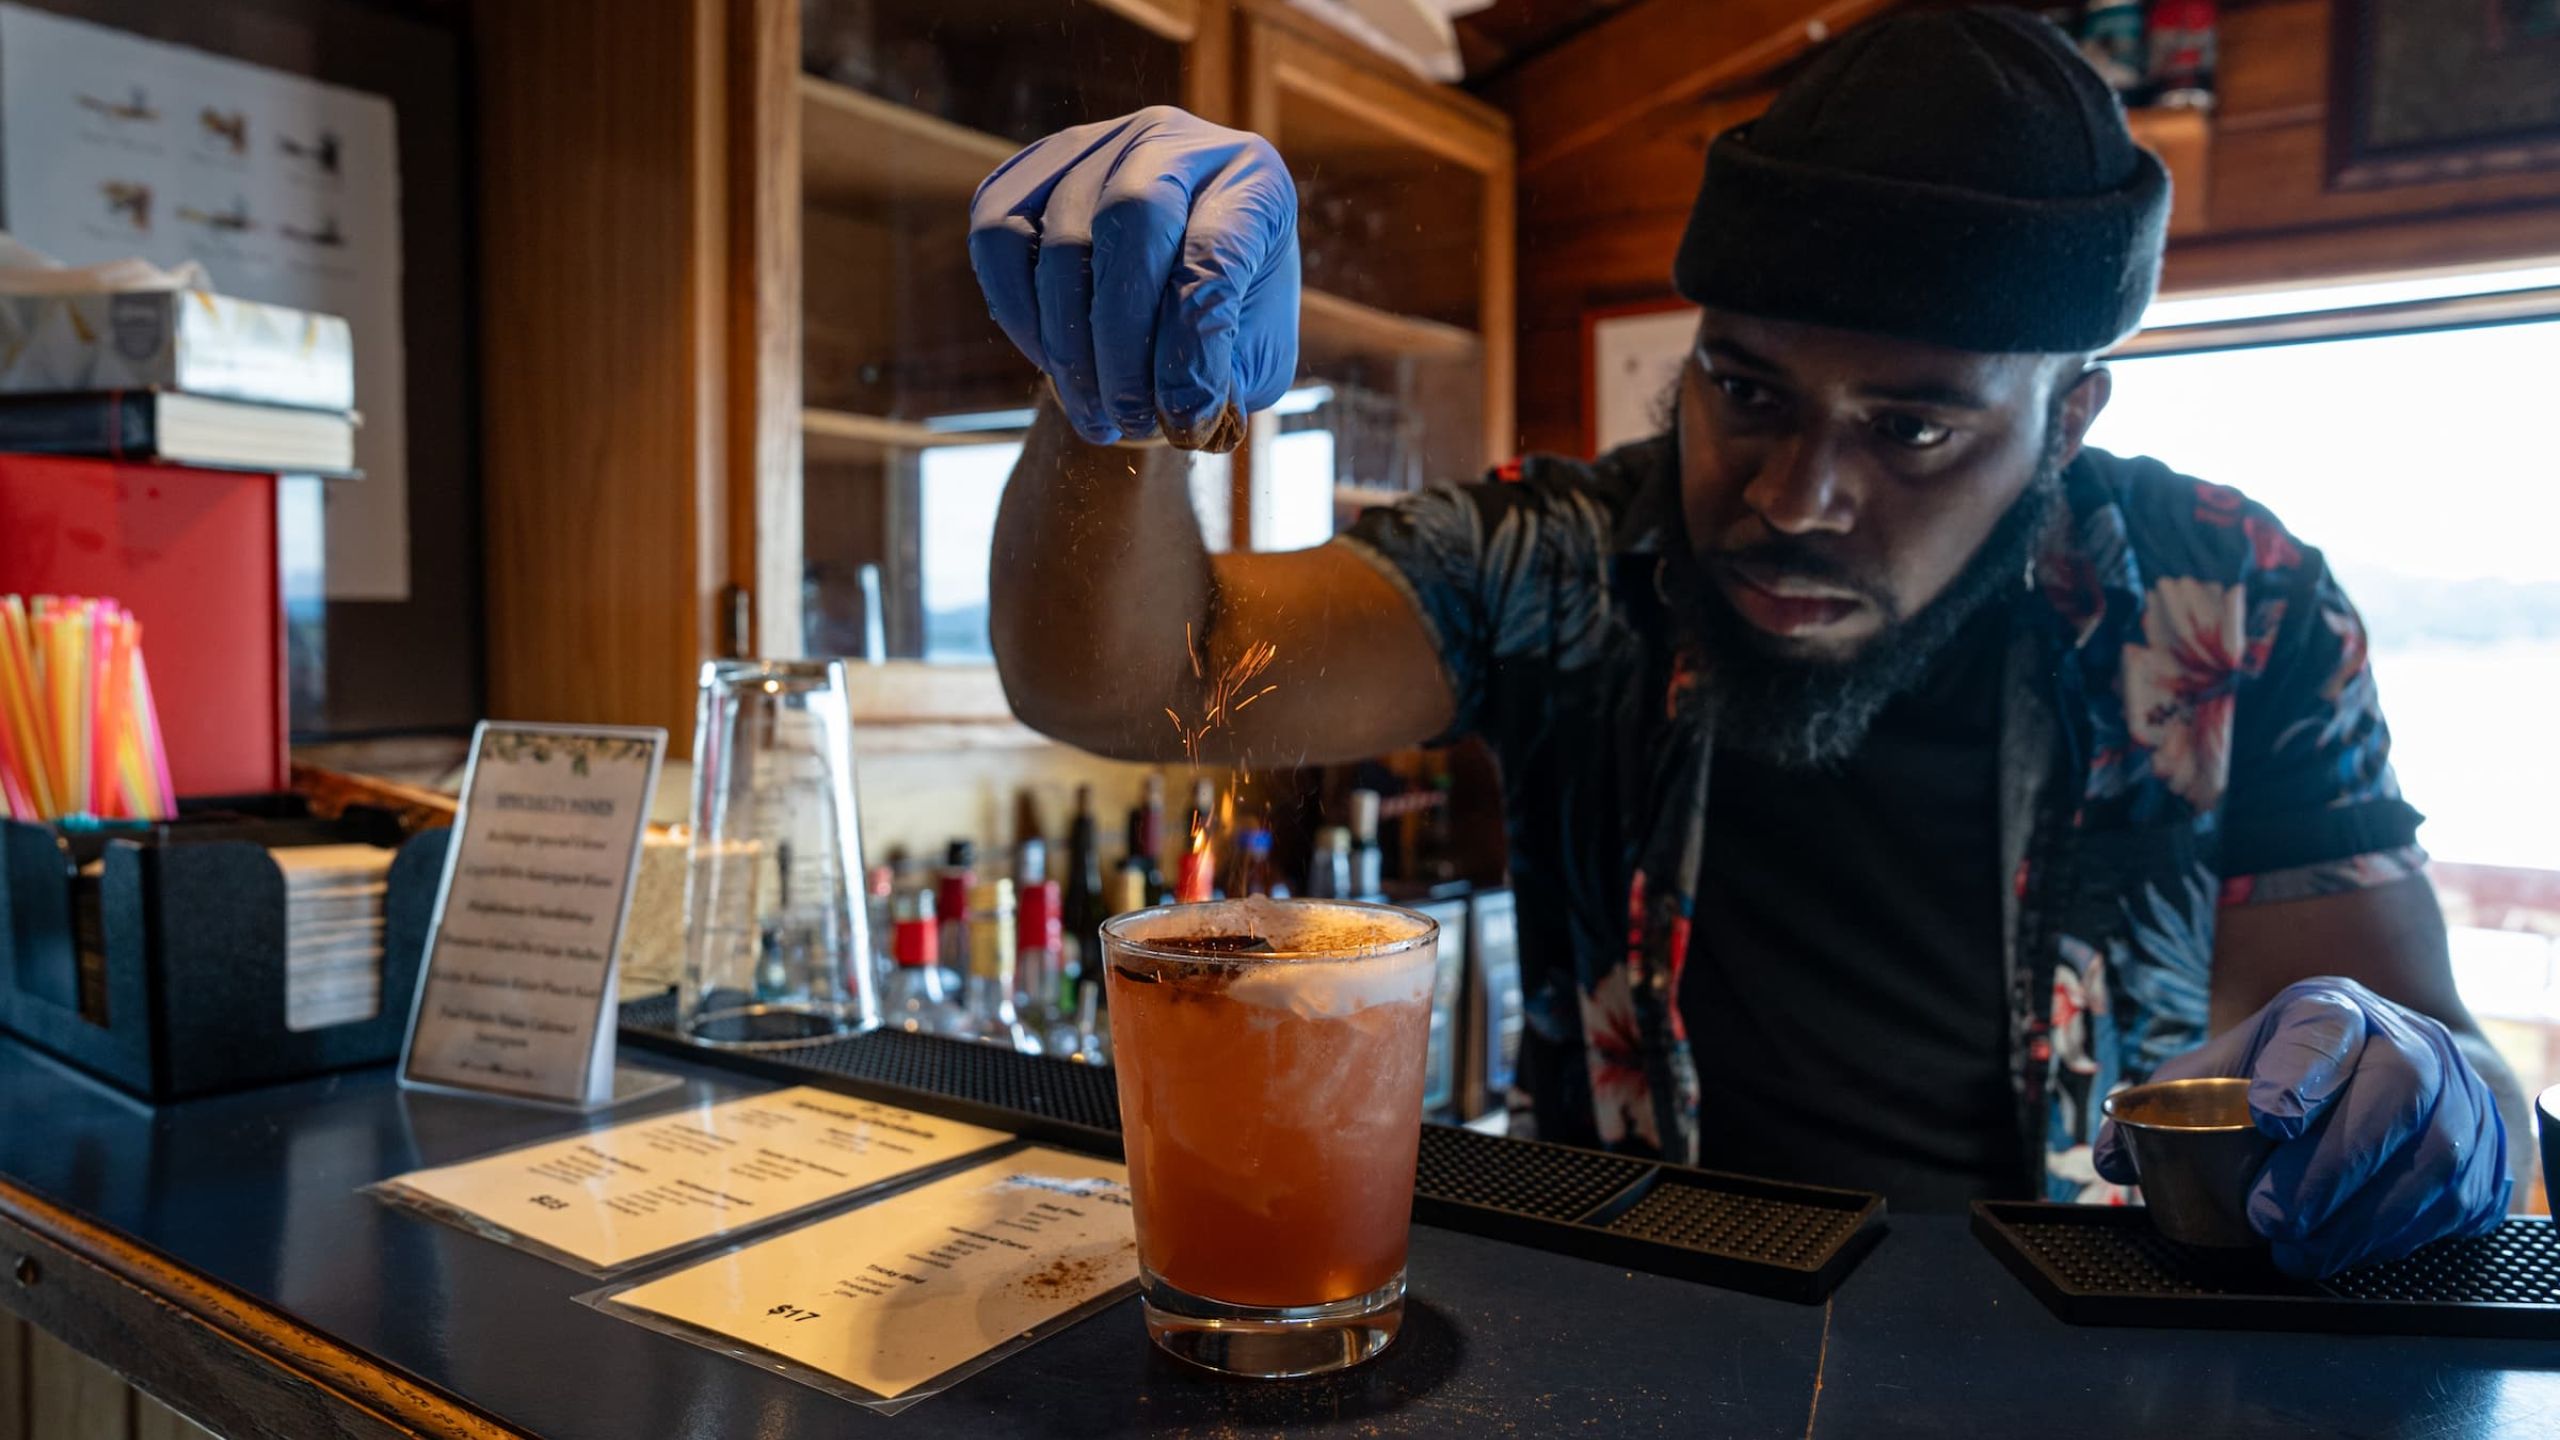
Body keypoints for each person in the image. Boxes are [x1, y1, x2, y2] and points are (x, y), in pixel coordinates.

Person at [967, 6, 2520, 1276]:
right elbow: (1140, 679)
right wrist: (1111, 395)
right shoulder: (1569, 554)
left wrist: (2436, 1101)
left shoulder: (2233, 604)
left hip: (2086, 1347)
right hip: (1630, 1318)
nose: (1797, 496)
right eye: (1750, 390)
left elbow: (2411, 1059)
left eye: (1913, 428)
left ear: (2072, 414)